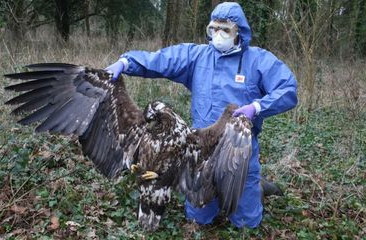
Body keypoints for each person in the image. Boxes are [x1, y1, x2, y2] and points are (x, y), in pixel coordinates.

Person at [105, 2, 297, 228]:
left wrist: (257, 107)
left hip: (239, 150)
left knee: (246, 223)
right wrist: (126, 62)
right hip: (201, 151)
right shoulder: (197, 57)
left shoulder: (259, 60)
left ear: (239, 32)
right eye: (213, 29)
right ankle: (215, 198)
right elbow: (161, 60)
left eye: (225, 29)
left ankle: (256, 189)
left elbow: (288, 90)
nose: (218, 34)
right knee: (198, 219)